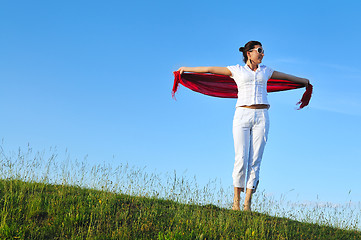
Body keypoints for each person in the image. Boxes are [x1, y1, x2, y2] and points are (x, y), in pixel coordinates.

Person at [177, 40, 310, 211]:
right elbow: (210, 70)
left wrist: (304, 81)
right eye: (259, 50)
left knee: (256, 159)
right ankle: (236, 203)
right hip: (242, 115)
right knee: (240, 157)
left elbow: (286, 77)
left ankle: (247, 204)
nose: (262, 54)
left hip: (262, 116)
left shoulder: (266, 71)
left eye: (263, 51)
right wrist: (187, 69)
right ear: (249, 53)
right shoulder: (236, 70)